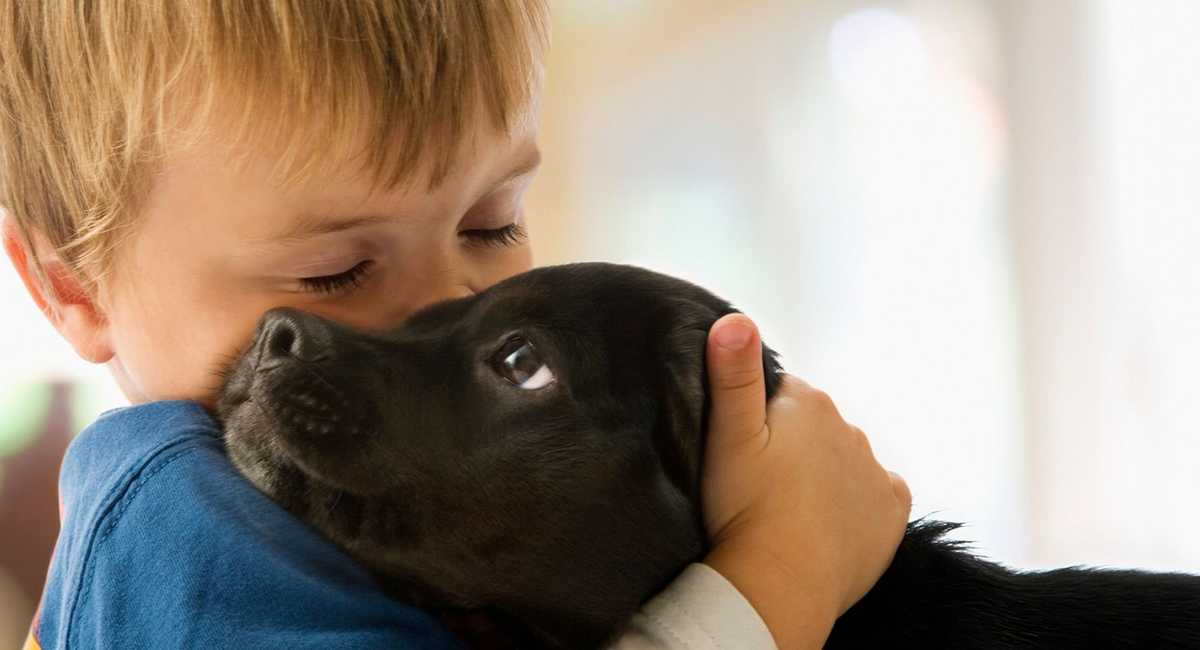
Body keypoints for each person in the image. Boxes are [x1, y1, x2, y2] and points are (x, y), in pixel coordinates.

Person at [0, 2, 912, 649]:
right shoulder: (189, 530)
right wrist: (781, 572)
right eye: (332, 272)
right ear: (71, 288)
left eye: (491, 224)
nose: (448, 310)